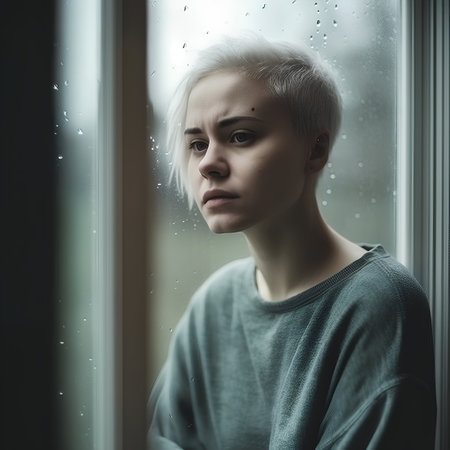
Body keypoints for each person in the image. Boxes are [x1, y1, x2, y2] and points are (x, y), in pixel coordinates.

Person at [148, 35, 436, 449]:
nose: (208, 162)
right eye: (197, 144)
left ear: (315, 149)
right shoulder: (214, 303)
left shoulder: (378, 305)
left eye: (241, 136)